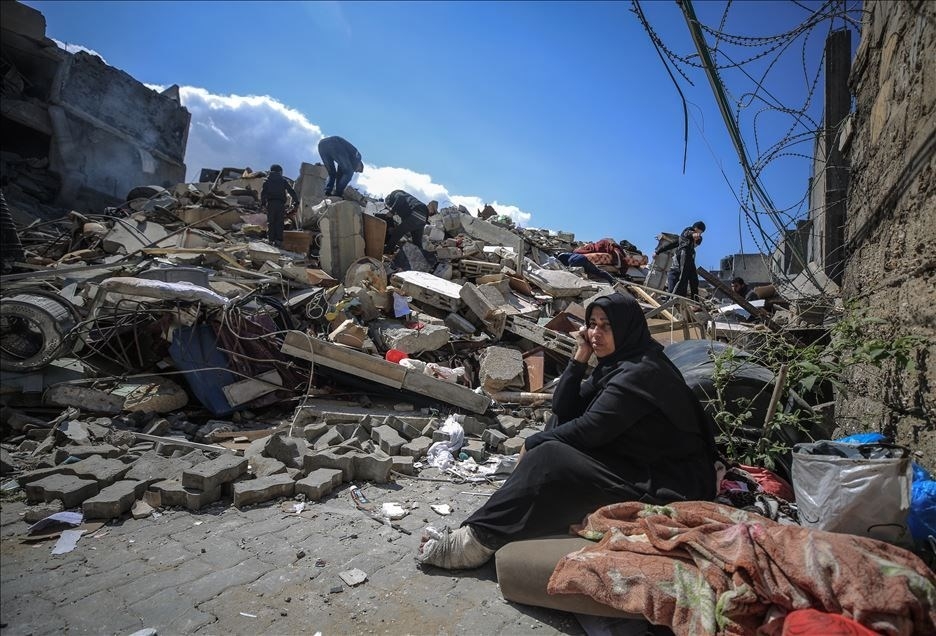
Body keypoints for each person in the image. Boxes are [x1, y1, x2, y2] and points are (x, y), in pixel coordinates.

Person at [416, 292, 718, 570]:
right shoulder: (619, 364)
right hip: (632, 460)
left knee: (548, 456)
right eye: (592, 324)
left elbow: (590, 430)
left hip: (664, 481)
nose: (596, 333)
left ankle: (476, 542)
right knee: (556, 425)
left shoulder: (641, 373)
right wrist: (580, 356)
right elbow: (564, 406)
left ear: (627, 328)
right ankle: (504, 512)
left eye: (606, 326)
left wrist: (533, 443)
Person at [656, 221, 705, 299]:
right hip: (681, 259)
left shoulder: (686, 244)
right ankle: (672, 298)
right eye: (700, 232)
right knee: (683, 278)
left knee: (694, 279)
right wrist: (694, 234)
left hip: (688, 259)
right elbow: (688, 233)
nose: (695, 245)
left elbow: (670, 245)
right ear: (696, 228)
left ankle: (695, 299)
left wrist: (658, 251)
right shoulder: (687, 232)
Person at [260, 164, 299, 247]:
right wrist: (296, 201)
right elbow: (291, 191)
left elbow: (263, 194)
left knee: (271, 222)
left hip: (270, 204)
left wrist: (263, 204)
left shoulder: (267, 180)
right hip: (280, 204)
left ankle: (270, 240)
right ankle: (278, 241)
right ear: (280, 171)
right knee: (279, 222)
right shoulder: (283, 180)